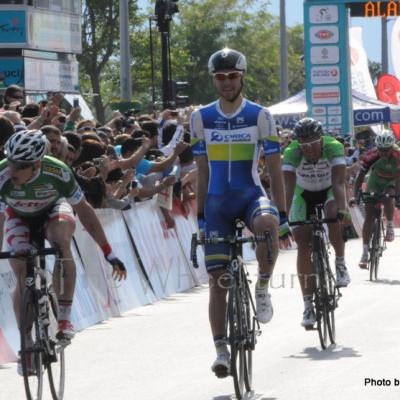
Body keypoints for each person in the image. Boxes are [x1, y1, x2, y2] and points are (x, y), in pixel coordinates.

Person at [190, 48, 289, 378]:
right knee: (218, 281)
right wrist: (201, 217)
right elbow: (202, 172)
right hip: (217, 202)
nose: (227, 82)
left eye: (232, 76)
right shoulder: (200, 117)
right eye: (220, 77)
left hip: (250, 196)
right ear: (214, 80)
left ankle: (262, 284)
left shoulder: (260, 115)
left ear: (242, 76)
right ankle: (220, 350)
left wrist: (283, 212)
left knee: (266, 221)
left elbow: (274, 169)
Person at [0, 130, 127, 375]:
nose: (14, 169)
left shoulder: (57, 171)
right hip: (19, 217)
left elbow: (86, 212)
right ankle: (26, 346)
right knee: (21, 274)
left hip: (53, 210)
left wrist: (108, 252)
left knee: (61, 239)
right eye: (11, 161)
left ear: (36, 163)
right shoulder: (2, 173)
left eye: (21, 165)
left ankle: (66, 317)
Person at [282, 118, 351, 329]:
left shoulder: (334, 147)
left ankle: (340, 263)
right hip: (304, 194)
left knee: (332, 213)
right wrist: (284, 220)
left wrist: (343, 211)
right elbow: (288, 189)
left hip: (329, 189)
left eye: (313, 144)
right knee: (303, 243)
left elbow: (339, 183)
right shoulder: (291, 153)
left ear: (322, 140)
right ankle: (308, 305)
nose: (309, 149)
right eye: (304, 145)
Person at [352, 129, 400, 268]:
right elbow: (359, 177)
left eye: (386, 150)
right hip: (375, 180)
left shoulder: (398, 155)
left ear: (392, 147)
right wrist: (356, 196)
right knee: (369, 216)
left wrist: (397, 196)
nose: (384, 153)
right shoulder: (371, 156)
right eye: (381, 150)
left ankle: (390, 225)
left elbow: (398, 178)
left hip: (392, 180)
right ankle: (365, 252)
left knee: (388, 195)